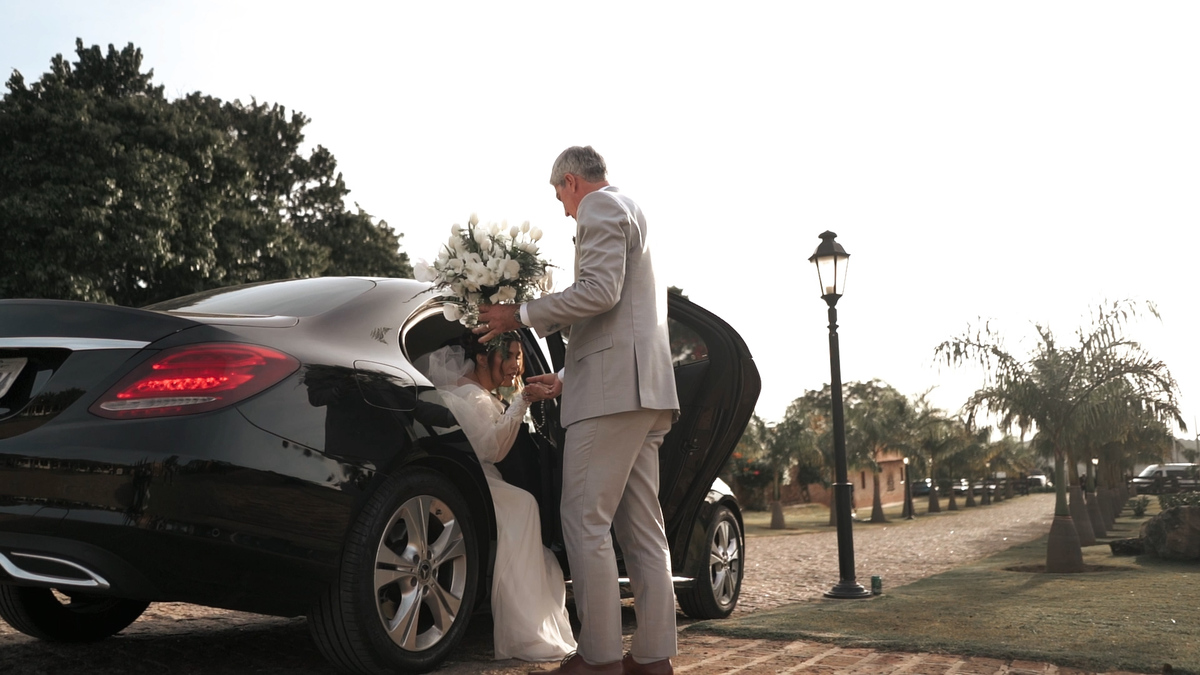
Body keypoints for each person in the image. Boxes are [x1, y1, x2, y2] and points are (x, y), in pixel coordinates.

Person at [477, 146, 680, 675]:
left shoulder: (599, 208)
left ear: (571, 182)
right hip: (646, 393)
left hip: (614, 397)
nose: (564, 211)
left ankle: (599, 657)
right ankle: (654, 658)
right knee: (642, 529)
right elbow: (626, 313)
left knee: (584, 522)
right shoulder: (633, 210)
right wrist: (568, 378)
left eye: (559, 196)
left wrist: (517, 314)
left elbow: (599, 291)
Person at [416, 333, 576, 662]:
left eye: (519, 356)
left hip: (475, 481)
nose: (517, 365)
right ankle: (524, 631)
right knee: (524, 506)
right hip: (481, 483)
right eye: (511, 355)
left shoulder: (475, 392)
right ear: (485, 358)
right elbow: (492, 449)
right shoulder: (473, 396)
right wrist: (522, 402)